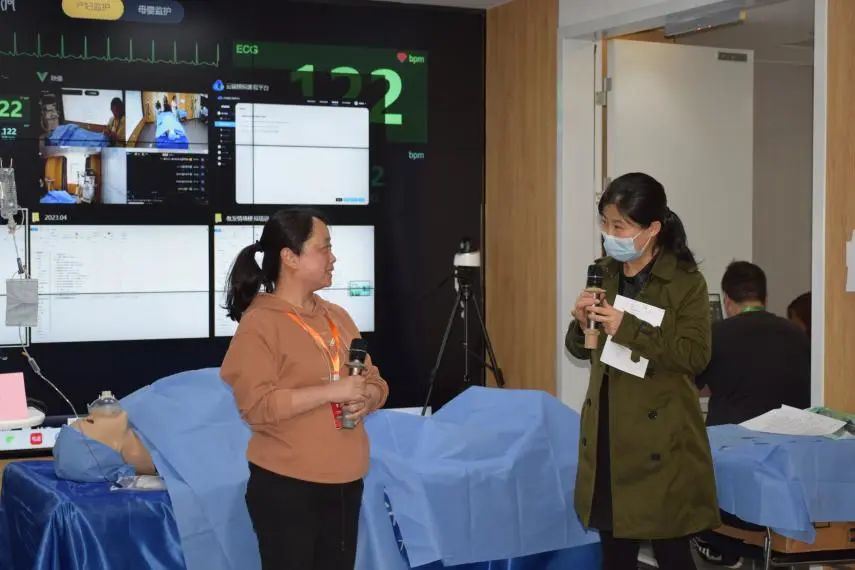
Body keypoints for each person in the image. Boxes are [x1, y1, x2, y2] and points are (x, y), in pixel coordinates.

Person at [565, 172, 719, 569]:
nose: (609, 234)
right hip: (608, 435)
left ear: (652, 228)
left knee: (671, 553)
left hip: (662, 439)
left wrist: (627, 327)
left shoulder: (685, 282)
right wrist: (581, 325)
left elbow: (695, 356)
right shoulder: (603, 271)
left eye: (619, 226)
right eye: (605, 223)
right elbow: (580, 350)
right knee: (615, 554)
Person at [220, 208, 389, 570]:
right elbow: (256, 407)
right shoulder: (260, 323)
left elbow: (375, 380)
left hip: (345, 483)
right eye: (324, 248)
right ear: (290, 257)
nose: (333, 258)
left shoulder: (337, 316)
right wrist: (331, 393)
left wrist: (369, 397)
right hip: (288, 488)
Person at [696, 262, 810, 427]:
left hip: (731, 436)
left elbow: (688, 387)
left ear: (727, 301)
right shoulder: (797, 334)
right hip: (789, 435)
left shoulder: (714, 334)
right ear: (765, 299)